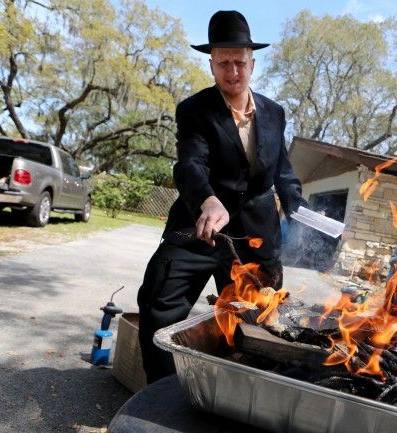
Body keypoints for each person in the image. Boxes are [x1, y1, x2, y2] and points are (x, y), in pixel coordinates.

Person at [137, 10, 307, 384]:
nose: (233, 71)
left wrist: (302, 212)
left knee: (261, 321)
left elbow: (283, 173)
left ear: (253, 63)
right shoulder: (194, 110)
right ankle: (161, 393)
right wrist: (207, 200)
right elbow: (190, 165)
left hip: (256, 239)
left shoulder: (275, 113)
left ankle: (244, 395)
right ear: (211, 65)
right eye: (223, 63)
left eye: (240, 63)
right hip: (200, 228)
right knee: (157, 303)